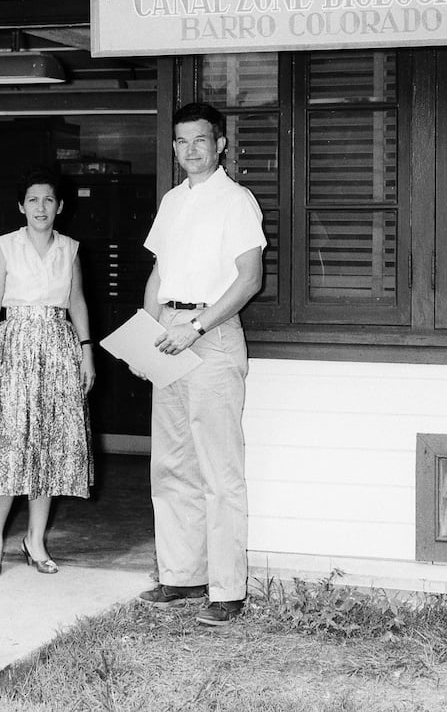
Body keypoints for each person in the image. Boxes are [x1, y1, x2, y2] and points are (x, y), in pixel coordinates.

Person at [137, 102, 266, 626]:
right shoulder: (172, 201)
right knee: (171, 464)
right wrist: (145, 337)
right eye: (182, 141)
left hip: (211, 335)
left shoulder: (236, 201)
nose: (190, 150)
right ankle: (181, 575)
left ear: (221, 145)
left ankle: (227, 590)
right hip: (169, 331)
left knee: (219, 470)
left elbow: (249, 279)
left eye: (200, 140)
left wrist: (197, 326)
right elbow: (158, 274)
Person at [0, 169, 95, 579]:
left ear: (60, 206)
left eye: (49, 200)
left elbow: (77, 302)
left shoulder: (70, 249)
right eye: (33, 200)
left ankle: (35, 540)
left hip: (58, 349)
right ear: (21, 206)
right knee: (7, 447)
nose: (41, 207)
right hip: (13, 349)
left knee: (48, 446)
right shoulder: (5, 246)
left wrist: (86, 352)